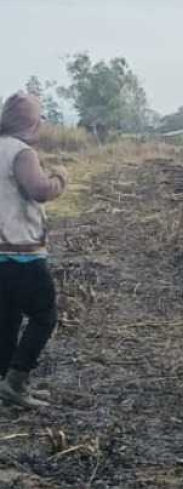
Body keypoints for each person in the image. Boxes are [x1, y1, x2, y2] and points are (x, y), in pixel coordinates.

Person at [0, 93, 67, 408]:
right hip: (21, 252)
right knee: (44, 315)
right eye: (40, 117)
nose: (42, 123)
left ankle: (3, 382)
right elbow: (39, 190)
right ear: (30, 122)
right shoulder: (22, 152)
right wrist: (60, 179)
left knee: (7, 318)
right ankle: (16, 381)